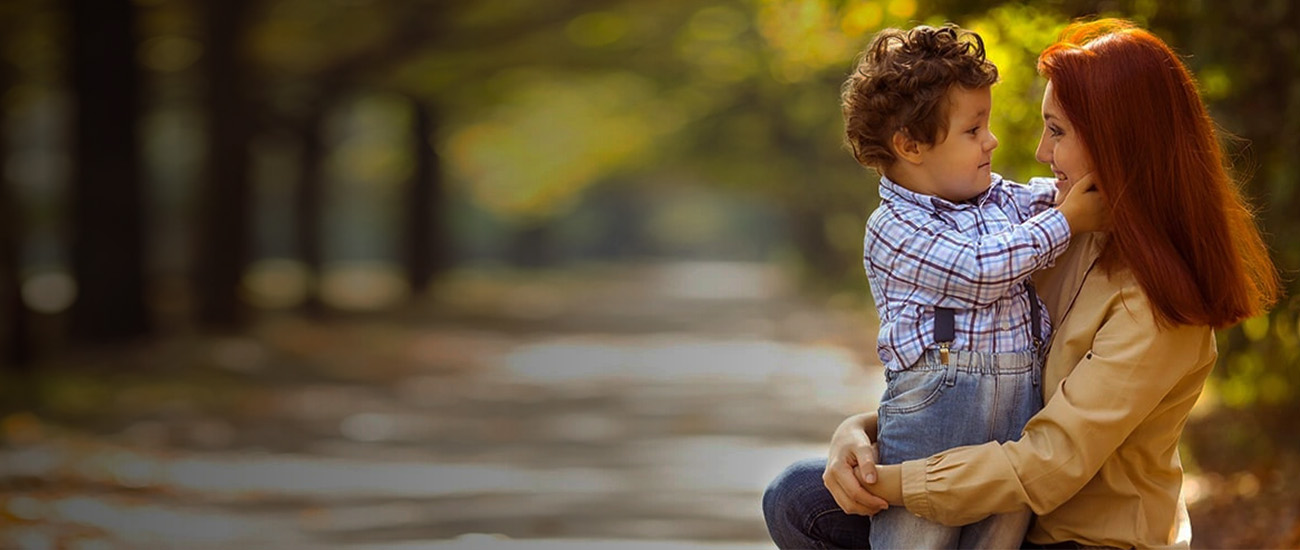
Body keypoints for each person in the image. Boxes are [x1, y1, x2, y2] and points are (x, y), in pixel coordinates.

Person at [763, 18, 1281, 549]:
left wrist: (887, 483)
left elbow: (1046, 464)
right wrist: (860, 433)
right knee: (798, 497)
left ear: (1117, 141)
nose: (1038, 152)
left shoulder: (1158, 304)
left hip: (1083, 540)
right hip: (1020, 520)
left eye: (1056, 131)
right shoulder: (1060, 235)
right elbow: (975, 385)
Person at [812, 23, 1108, 549]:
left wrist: (1089, 188)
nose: (991, 140)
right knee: (915, 539)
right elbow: (978, 271)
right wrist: (1066, 222)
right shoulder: (894, 228)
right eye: (974, 130)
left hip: (1016, 411)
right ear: (910, 145)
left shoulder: (998, 198)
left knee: (997, 542)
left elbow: (1056, 195)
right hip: (937, 409)